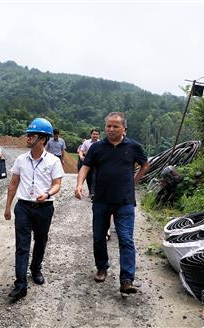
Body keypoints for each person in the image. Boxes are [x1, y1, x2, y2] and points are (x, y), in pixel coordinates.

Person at [74, 112, 150, 294]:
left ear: (124, 128)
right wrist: (78, 185)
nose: (111, 129)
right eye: (108, 126)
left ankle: (126, 279)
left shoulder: (133, 147)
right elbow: (86, 166)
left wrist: (133, 180)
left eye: (115, 126)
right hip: (101, 199)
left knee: (126, 239)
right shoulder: (97, 147)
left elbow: (145, 165)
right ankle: (102, 267)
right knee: (99, 236)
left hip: (124, 201)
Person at [4, 118, 64, 302]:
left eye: (32, 135)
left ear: (43, 139)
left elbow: (57, 184)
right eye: (28, 134)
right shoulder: (21, 160)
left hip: (44, 207)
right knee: (22, 245)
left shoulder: (53, 161)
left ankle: (36, 268)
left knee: (40, 240)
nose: (27, 138)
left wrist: (47, 194)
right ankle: (20, 284)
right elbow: (13, 184)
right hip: (23, 207)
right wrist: (8, 207)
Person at [78, 129, 100, 195]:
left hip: (97, 162)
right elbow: (81, 150)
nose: (95, 135)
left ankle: (94, 192)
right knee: (89, 177)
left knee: (95, 176)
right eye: (94, 134)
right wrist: (81, 156)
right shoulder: (86, 142)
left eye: (96, 134)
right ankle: (91, 191)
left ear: (99, 135)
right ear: (91, 135)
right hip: (88, 161)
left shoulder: (101, 143)